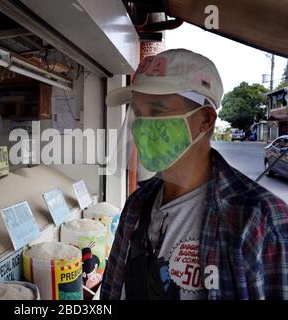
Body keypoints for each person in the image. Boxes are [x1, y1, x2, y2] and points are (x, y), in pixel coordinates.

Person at [101, 49, 288, 300]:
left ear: (206, 119)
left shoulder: (260, 220)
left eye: (156, 111)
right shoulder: (136, 205)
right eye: (138, 112)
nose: (142, 125)